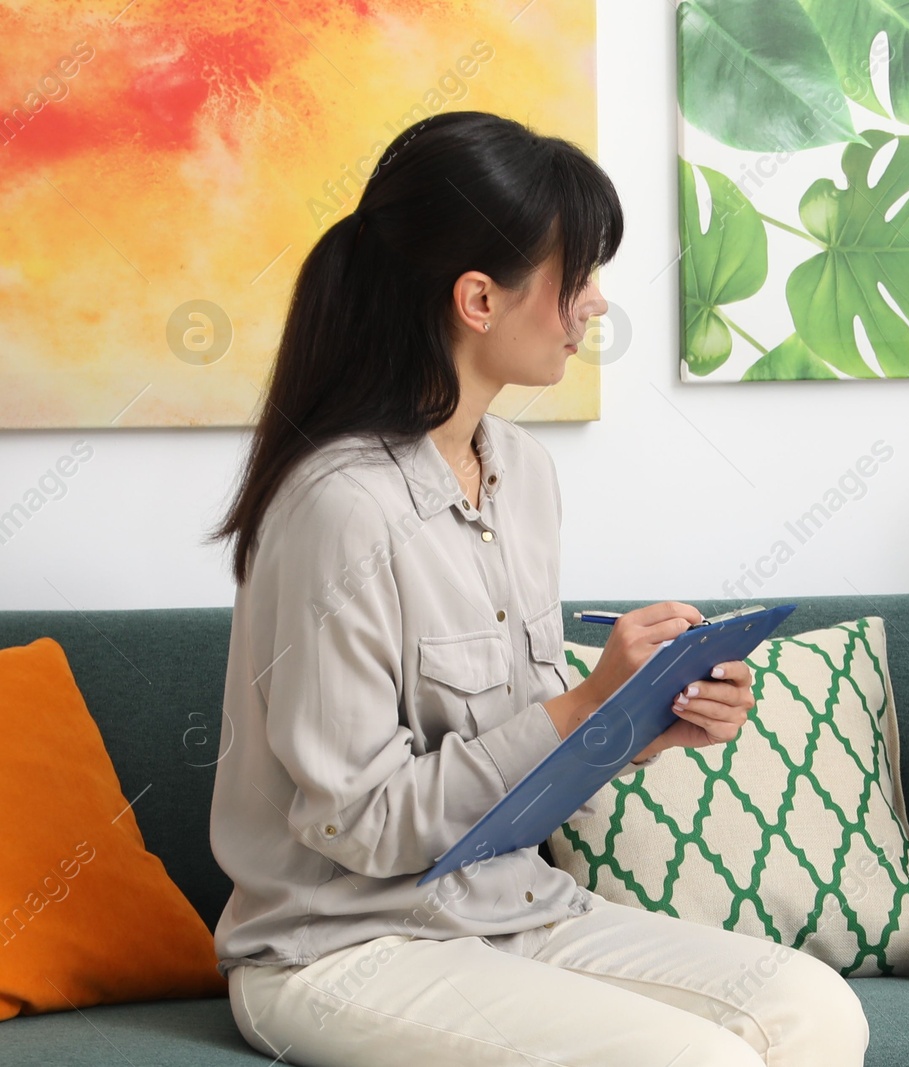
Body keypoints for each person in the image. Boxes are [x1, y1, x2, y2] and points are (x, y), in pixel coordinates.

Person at [204, 111, 868, 1067]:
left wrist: (640, 719)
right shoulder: (338, 508)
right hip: (342, 947)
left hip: (513, 908)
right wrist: (584, 705)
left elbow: (519, 742)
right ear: (479, 298)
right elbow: (356, 820)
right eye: (578, 278)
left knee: (814, 1008)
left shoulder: (521, 471)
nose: (595, 305)